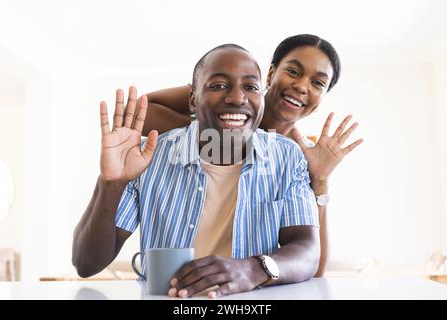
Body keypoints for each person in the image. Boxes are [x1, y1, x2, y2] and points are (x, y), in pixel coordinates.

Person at [72, 44, 320, 298]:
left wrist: (251, 269)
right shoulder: (149, 157)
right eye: (218, 85)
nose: (237, 98)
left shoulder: (287, 157)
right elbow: (87, 264)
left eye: (251, 87)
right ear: (193, 99)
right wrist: (111, 183)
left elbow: (307, 250)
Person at [136, 34, 363, 276]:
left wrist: (320, 179)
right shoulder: (229, 97)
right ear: (271, 73)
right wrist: (213, 125)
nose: (301, 86)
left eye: (318, 83)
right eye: (294, 71)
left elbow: (315, 267)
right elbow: (139, 112)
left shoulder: (300, 154)